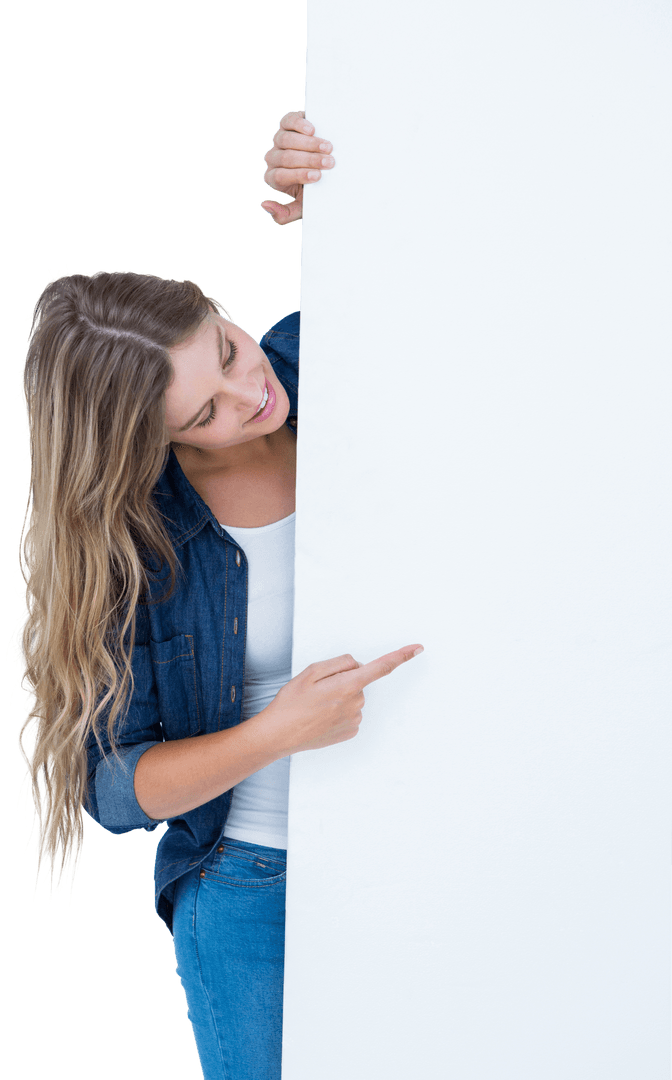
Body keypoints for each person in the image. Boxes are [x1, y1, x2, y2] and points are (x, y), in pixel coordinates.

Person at [14, 109, 424, 1080]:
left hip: (423, 840)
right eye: (206, 413)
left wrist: (346, 193)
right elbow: (114, 786)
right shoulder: (139, 543)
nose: (251, 397)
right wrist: (277, 733)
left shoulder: (343, 371)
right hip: (251, 895)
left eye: (230, 350)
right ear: (155, 443)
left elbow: (450, 286)